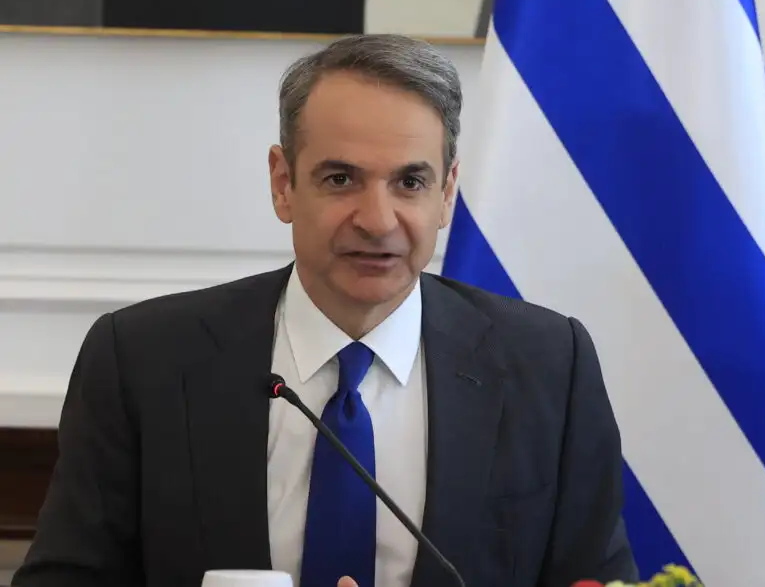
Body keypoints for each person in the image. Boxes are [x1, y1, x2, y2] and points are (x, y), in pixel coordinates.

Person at [13, 34, 638, 587]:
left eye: (410, 183)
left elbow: (595, 581)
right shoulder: (142, 359)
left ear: (447, 192)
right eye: (341, 179)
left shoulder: (548, 366)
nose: (378, 220)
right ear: (283, 183)